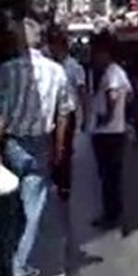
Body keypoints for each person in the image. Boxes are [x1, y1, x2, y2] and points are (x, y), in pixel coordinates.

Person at [0, 17, 74, 276]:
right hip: (40, 145)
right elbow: (64, 114)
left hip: (12, 144)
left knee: (6, 206)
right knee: (33, 209)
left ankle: (3, 261)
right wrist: (59, 149)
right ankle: (20, 266)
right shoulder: (57, 71)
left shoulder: (7, 71)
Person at [88, 29, 132, 230]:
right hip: (114, 129)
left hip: (109, 132)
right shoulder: (117, 72)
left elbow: (113, 96)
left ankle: (111, 213)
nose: (94, 57)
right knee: (110, 175)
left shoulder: (112, 72)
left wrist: (106, 116)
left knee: (108, 175)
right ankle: (113, 210)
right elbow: (129, 95)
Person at [45, 25, 87, 201]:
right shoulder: (48, 66)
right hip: (49, 111)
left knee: (65, 148)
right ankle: (54, 175)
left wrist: (83, 114)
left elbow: (82, 92)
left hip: (67, 113)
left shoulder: (74, 67)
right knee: (49, 145)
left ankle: (64, 183)